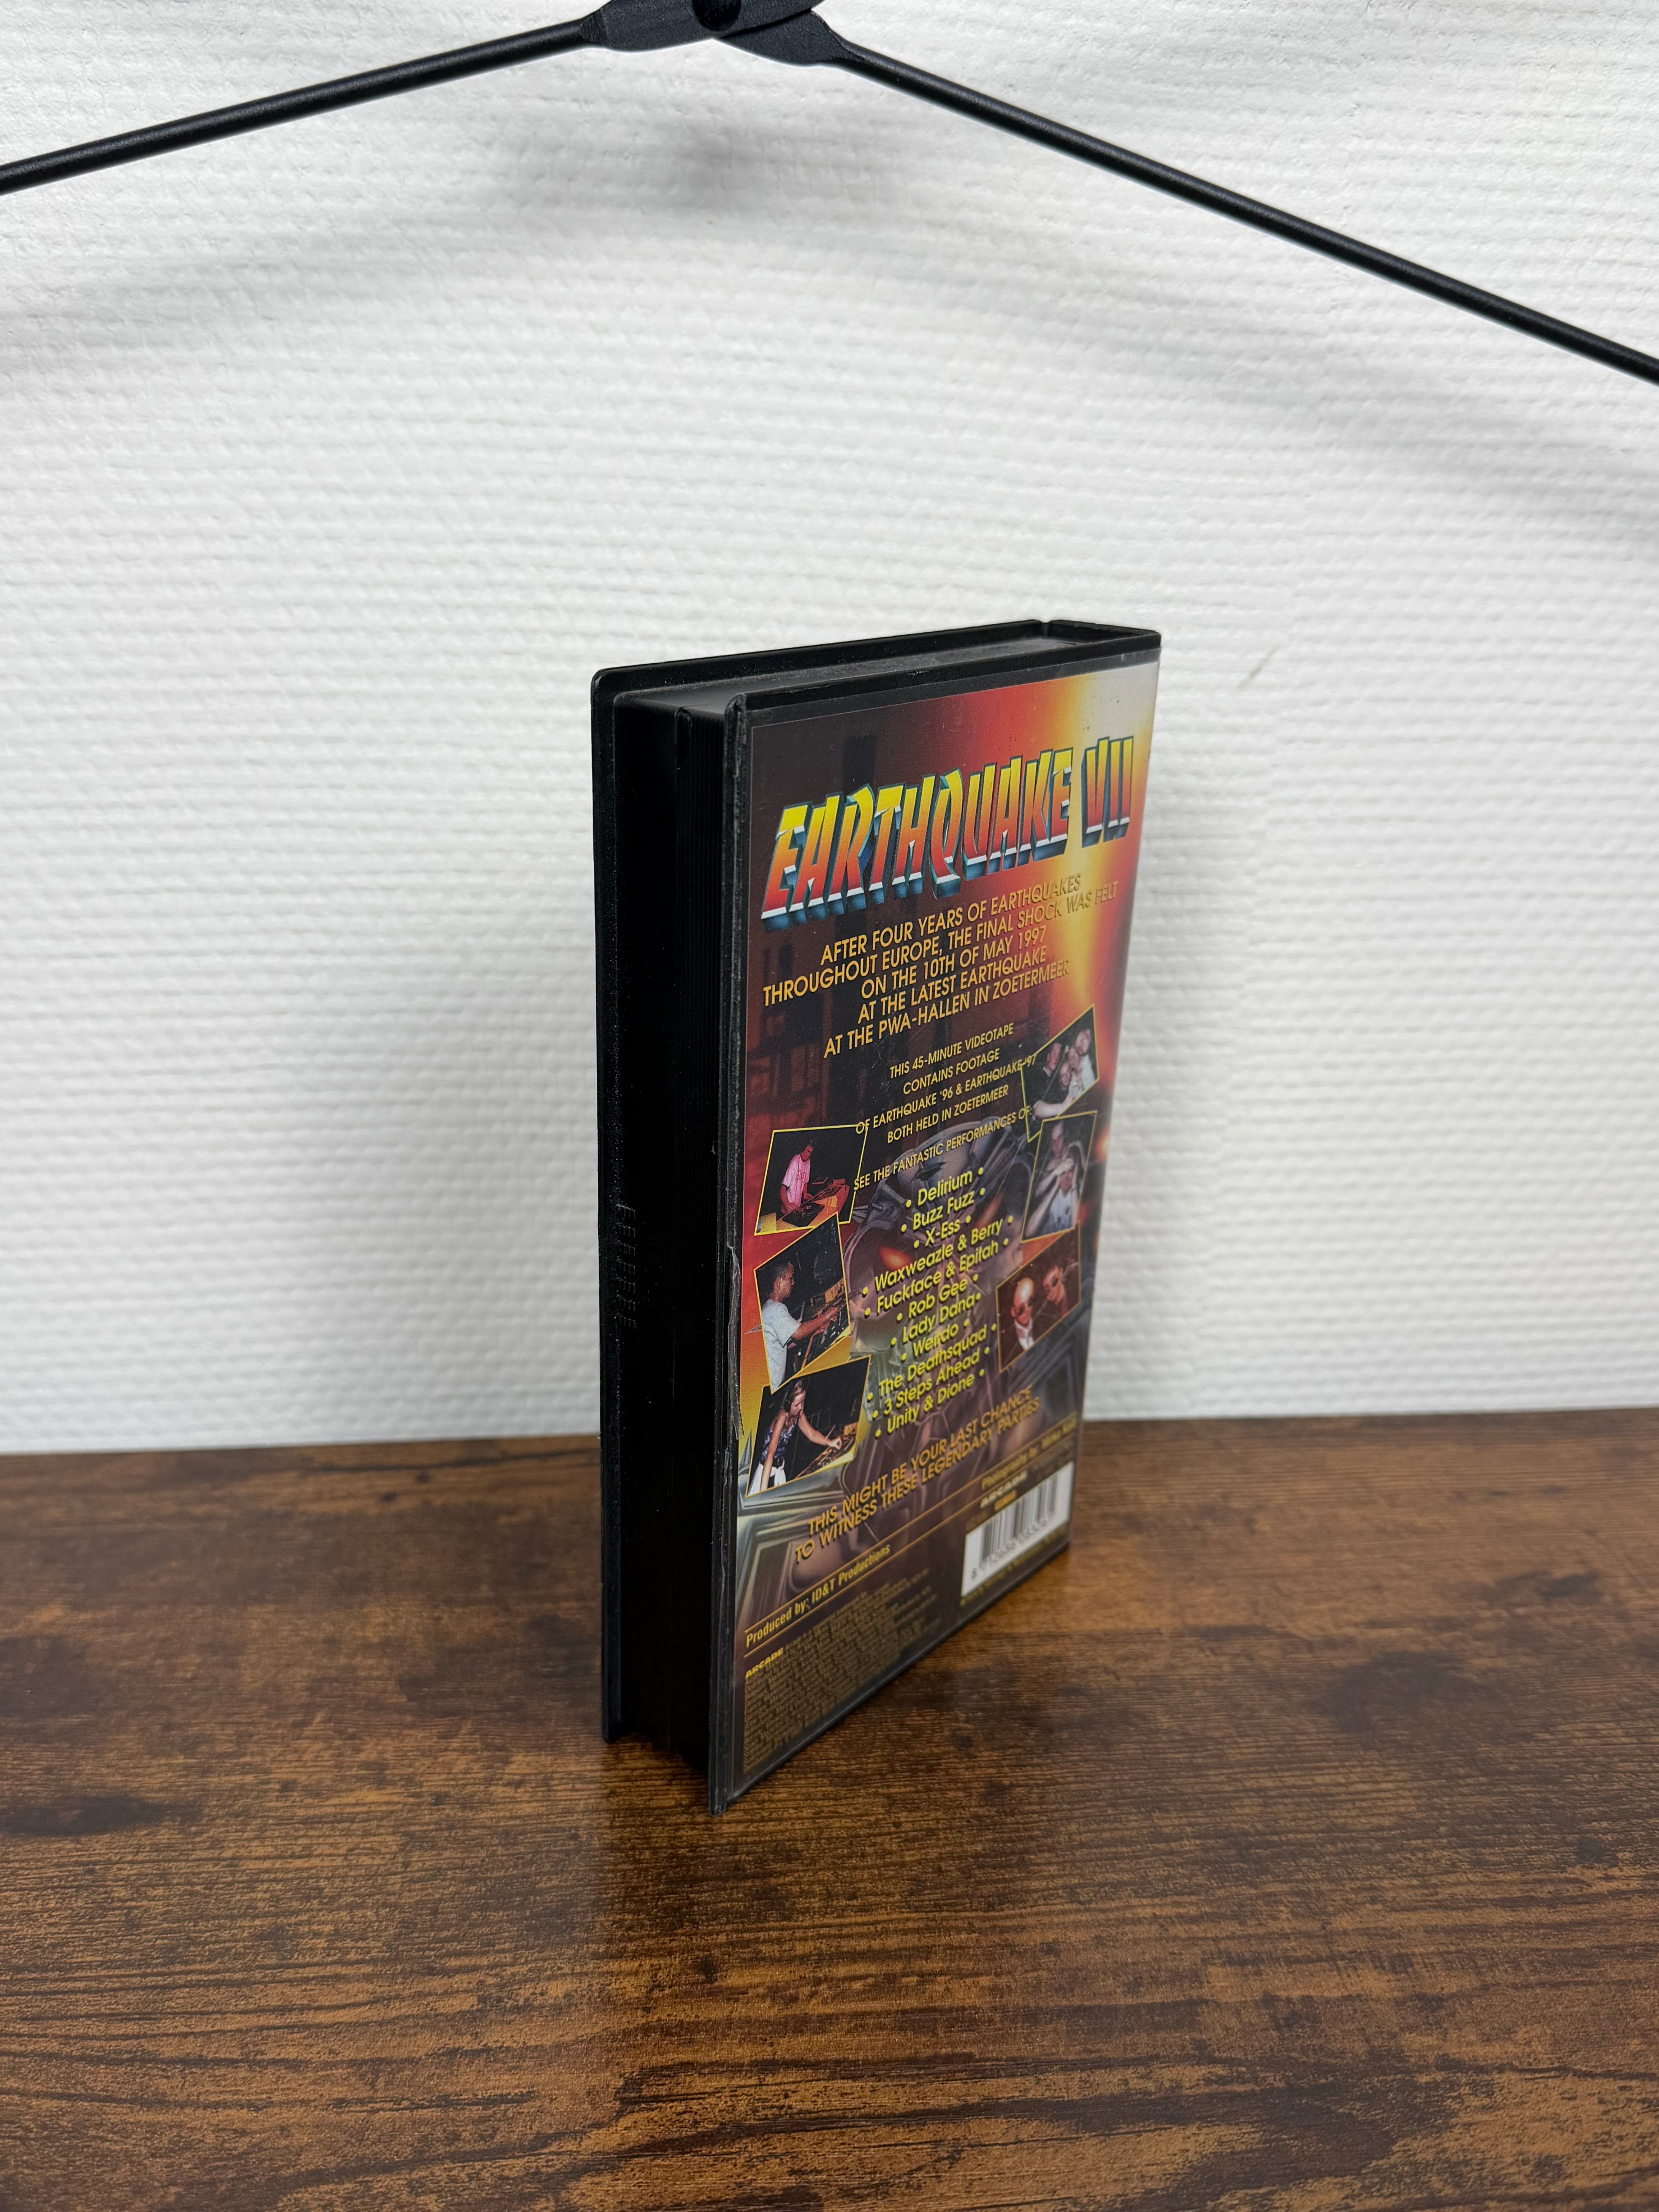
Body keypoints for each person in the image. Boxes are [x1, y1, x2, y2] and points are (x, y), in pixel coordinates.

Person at [759, 1257, 844, 1389]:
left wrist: (815, 1331)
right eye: (791, 1278)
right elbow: (799, 1333)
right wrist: (826, 1316)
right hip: (774, 1387)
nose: (793, 1283)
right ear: (779, 1282)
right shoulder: (775, 1309)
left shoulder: (770, 1308)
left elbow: (786, 1345)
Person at [749, 1380, 842, 1496]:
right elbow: (770, 1455)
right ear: (788, 1403)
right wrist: (762, 1493)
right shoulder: (782, 1417)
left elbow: (811, 1434)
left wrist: (829, 1442)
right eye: (797, 1405)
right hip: (766, 1471)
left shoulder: (798, 1414)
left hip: (779, 1470)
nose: (800, 1407)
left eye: (802, 1402)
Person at [1026, 1125, 1082, 1236]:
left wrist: (1081, 1155)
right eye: (1053, 1141)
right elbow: (1037, 1193)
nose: (1056, 1146)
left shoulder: (1074, 1156)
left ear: (1066, 1137)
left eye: (1060, 1138)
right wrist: (1054, 1174)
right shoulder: (1052, 1166)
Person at [1036, 1255, 1074, 1337]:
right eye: (1047, 1289)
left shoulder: (1074, 1291)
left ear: (1061, 1273)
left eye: (1054, 1282)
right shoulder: (1048, 1318)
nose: (1051, 1290)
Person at [1007, 1277, 1038, 1359]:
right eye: (1022, 1309)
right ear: (1013, 1312)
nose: (1027, 1310)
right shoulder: (1008, 1343)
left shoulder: (1043, 1321)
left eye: (1030, 1303)